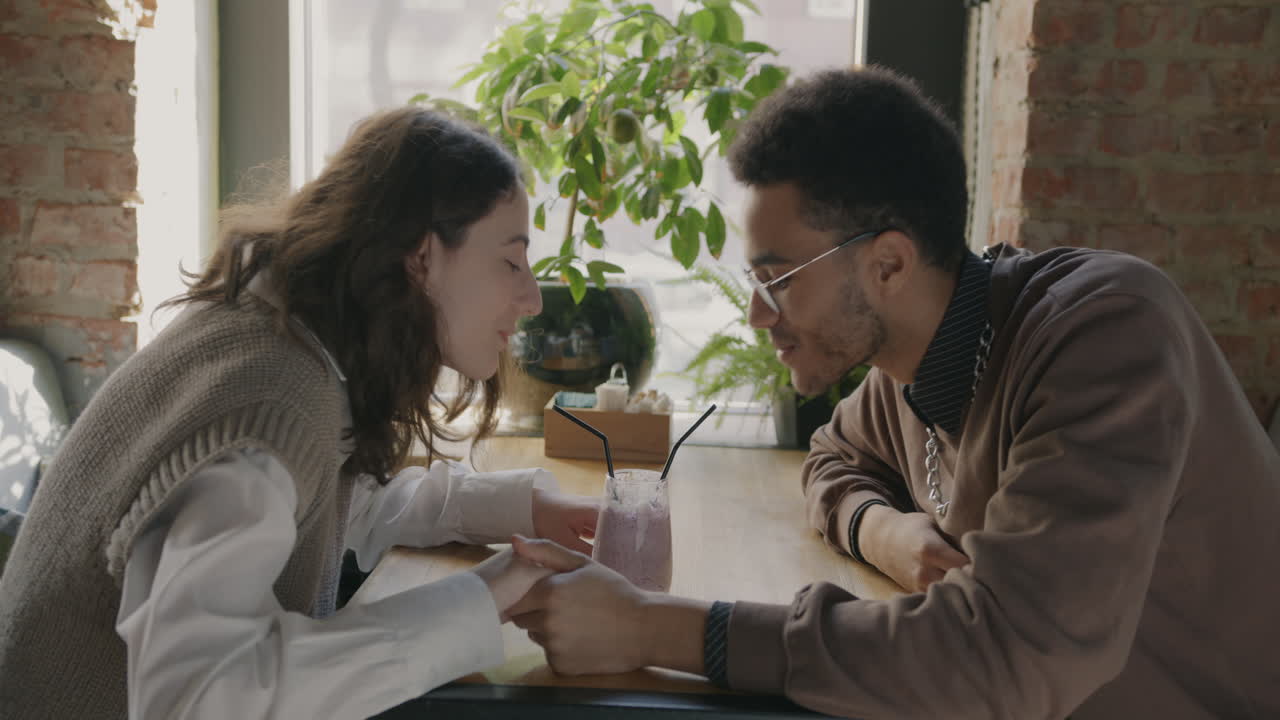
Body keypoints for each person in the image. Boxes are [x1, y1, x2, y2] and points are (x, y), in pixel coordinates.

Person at [507, 67, 1280, 718]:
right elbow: (832, 457)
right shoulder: (909, 367)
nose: (754, 314)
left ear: (888, 264)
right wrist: (885, 532)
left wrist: (658, 630)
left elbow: (1003, 652)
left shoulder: (1108, 335)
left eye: (776, 280)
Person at [0, 107, 601, 719]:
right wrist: (478, 599)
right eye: (510, 260)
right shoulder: (265, 405)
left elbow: (338, 506)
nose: (530, 298)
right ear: (422, 257)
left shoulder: (282, 343)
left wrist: (525, 509)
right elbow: (200, 698)